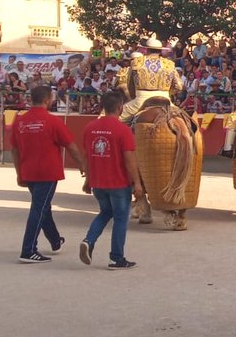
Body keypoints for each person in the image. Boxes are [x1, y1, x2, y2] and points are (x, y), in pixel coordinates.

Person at [10, 85, 86, 263]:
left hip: (28, 171)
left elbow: (14, 150)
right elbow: (71, 146)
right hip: (48, 172)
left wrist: (18, 172)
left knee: (43, 207)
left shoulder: (20, 121)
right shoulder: (53, 121)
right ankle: (28, 250)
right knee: (39, 208)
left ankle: (54, 240)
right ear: (47, 100)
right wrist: (82, 165)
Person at [79, 90, 143, 270]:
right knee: (121, 218)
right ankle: (116, 257)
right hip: (118, 182)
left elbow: (87, 156)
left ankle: (89, 240)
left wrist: (87, 180)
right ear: (121, 107)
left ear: (103, 107)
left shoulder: (90, 127)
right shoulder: (123, 130)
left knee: (105, 212)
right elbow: (130, 159)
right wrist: (137, 183)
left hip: (98, 182)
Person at [116, 37, 184, 119]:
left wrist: (134, 98)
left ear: (147, 50)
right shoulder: (169, 64)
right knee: (183, 120)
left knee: (116, 118)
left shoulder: (137, 62)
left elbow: (130, 86)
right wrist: (168, 93)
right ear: (160, 51)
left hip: (140, 100)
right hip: (165, 100)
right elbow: (179, 86)